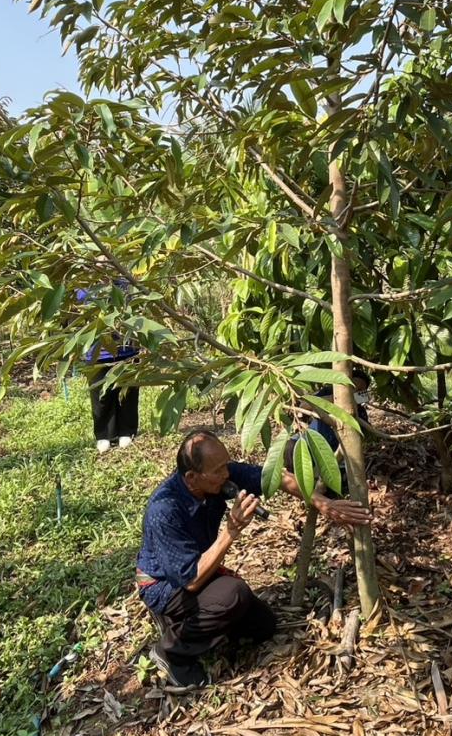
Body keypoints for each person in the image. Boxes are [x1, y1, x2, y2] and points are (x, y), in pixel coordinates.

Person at [135, 428, 373, 687]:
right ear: (192, 477)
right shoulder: (164, 510)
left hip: (200, 566)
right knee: (233, 594)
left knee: (263, 626)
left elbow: (277, 477)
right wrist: (231, 530)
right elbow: (190, 580)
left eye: (226, 466)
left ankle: (198, 623)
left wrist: (322, 503)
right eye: (218, 471)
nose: (226, 475)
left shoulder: (217, 477)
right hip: (166, 584)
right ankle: (173, 651)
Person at [76, 286, 139, 453]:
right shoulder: (83, 287)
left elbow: (136, 312)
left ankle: (127, 431)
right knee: (101, 396)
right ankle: (104, 435)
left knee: (128, 393)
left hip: (126, 350)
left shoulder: (125, 283)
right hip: (97, 353)